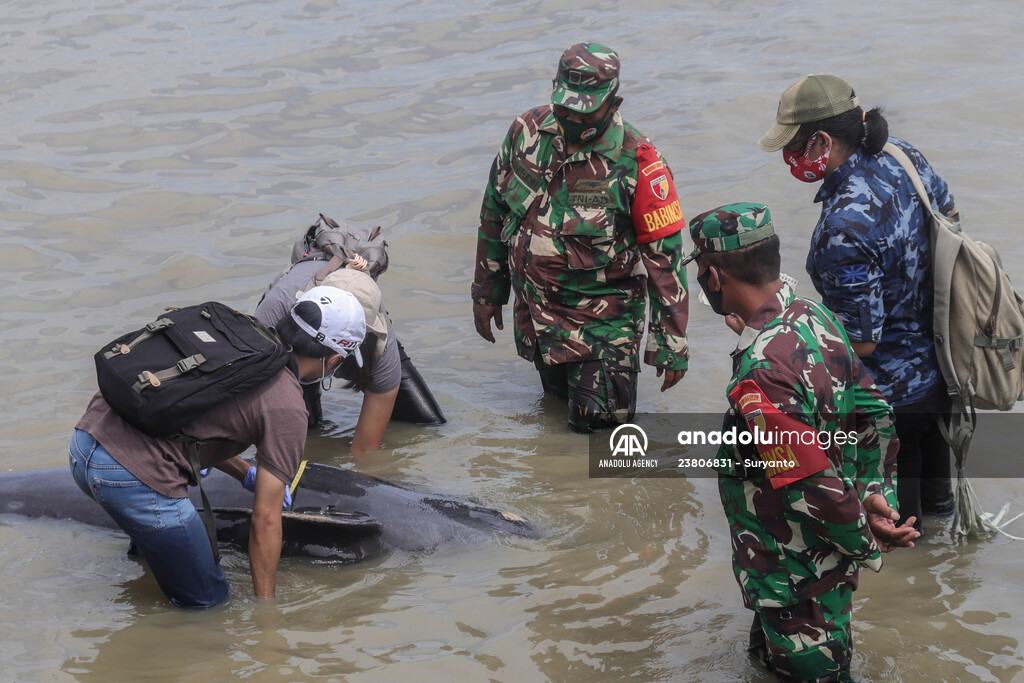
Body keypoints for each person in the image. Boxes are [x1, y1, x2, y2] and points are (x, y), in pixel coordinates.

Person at [683, 203, 919, 681]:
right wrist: (877, 496)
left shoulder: (763, 373)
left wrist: (866, 542)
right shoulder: (810, 314)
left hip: (794, 579)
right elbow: (876, 415)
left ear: (713, 276)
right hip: (806, 571)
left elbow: (811, 485)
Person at [69, 287, 366, 607]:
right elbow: (265, 520)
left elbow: (191, 419)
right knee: (210, 605)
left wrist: (244, 472)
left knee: (157, 564)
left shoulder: (239, 333)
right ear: (334, 359)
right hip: (128, 478)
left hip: (85, 441)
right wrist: (267, 613)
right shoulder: (288, 407)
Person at [758, 74, 958, 532]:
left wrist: (779, 328)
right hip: (942, 367)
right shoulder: (902, 155)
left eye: (793, 145)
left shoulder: (843, 227)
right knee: (940, 515)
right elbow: (950, 219)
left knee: (902, 539)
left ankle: (914, 601)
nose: (788, 157)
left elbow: (862, 344)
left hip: (892, 401)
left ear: (821, 141)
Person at [472, 42, 689, 432]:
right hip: (538, 320)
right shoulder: (526, 132)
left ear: (614, 102)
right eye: (563, 105)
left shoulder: (638, 162)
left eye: (583, 109)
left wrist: (670, 341)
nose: (570, 116)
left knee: (600, 447)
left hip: (602, 331)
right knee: (554, 427)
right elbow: (494, 209)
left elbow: (665, 258)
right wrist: (488, 292)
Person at [255, 261, 400, 455]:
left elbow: (364, 450)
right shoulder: (276, 311)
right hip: (289, 321)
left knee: (424, 418)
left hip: (366, 349)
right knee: (298, 422)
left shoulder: (382, 346)